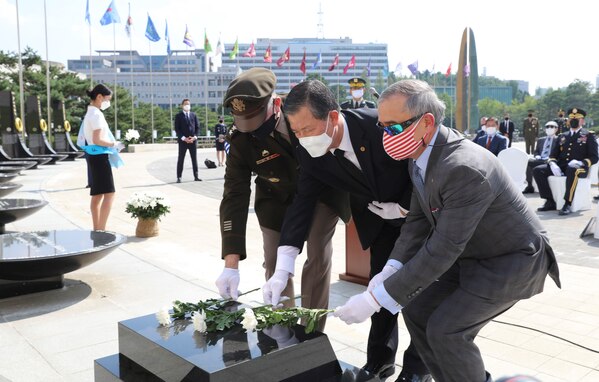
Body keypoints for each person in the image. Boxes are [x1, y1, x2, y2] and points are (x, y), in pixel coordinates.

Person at [333, 79, 561, 382]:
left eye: (394, 128)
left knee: (447, 330)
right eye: (382, 127)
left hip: (511, 260)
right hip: (473, 254)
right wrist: (391, 269)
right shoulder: (421, 155)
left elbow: (443, 248)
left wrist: (375, 300)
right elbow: (417, 221)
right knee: (416, 310)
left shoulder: (463, 167)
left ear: (426, 122)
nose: (386, 136)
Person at [262, 79, 429, 381]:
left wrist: (404, 206)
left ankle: (418, 368)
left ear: (333, 117)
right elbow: (303, 201)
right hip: (379, 222)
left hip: (419, 216)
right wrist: (283, 267)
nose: (302, 138)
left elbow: (422, 167)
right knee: (379, 291)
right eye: (295, 131)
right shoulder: (309, 149)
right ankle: (380, 361)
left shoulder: (380, 127)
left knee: (421, 295)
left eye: (308, 129)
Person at [214, 68, 349, 332]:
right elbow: (234, 194)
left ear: (275, 104)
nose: (252, 130)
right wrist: (230, 264)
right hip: (274, 198)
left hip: (320, 193)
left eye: (256, 120)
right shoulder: (241, 138)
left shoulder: (301, 113)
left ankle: (311, 328)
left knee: (317, 256)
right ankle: (282, 327)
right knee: (275, 263)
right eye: (244, 122)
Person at [533, 108, 598, 215]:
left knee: (572, 170)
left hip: (579, 168)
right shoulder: (563, 136)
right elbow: (553, 155)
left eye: (577, 119)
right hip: (562, 166)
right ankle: (549, 201)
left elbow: (594, 157)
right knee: (538, 170)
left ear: (582, 121)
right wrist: (552, 163)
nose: (573, 120)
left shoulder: (588, 136)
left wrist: (581, 163)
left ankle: (567, 203)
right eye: (571, 118)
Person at [81, 84, 124, 230]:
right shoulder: (96, 115)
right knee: (109, 193)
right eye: (107, 99)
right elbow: (98, 139)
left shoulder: (90, 113)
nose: (108, 103)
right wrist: (114, 144)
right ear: (99, 96)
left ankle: (97, 228)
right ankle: (101, 229)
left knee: (97, 194)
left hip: (93, 156)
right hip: (100, 156)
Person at [523, 121, 559, 194]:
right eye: (547, 127)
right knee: (528, 162)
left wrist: (551, 158)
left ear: (556, 129)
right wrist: (537, 156)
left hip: (550, 161)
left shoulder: (558, 140)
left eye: (552, 127)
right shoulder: (541, 140)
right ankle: (530, 186)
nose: (549, 128)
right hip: (540, 159)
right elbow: (536, 151)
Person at [175, 99, 201, 183]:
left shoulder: (194, 115)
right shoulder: (178, 116)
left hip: (192, 141)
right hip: (183, 141)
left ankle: (196, 176)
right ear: (182, 105)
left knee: (194, 159)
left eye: (188, 104)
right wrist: (183, 138)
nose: (187, 106)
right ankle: (179, 177)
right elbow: (177, 129)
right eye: (185, 104)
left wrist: (195, 137)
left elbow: (197, 127)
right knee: (181, 159)